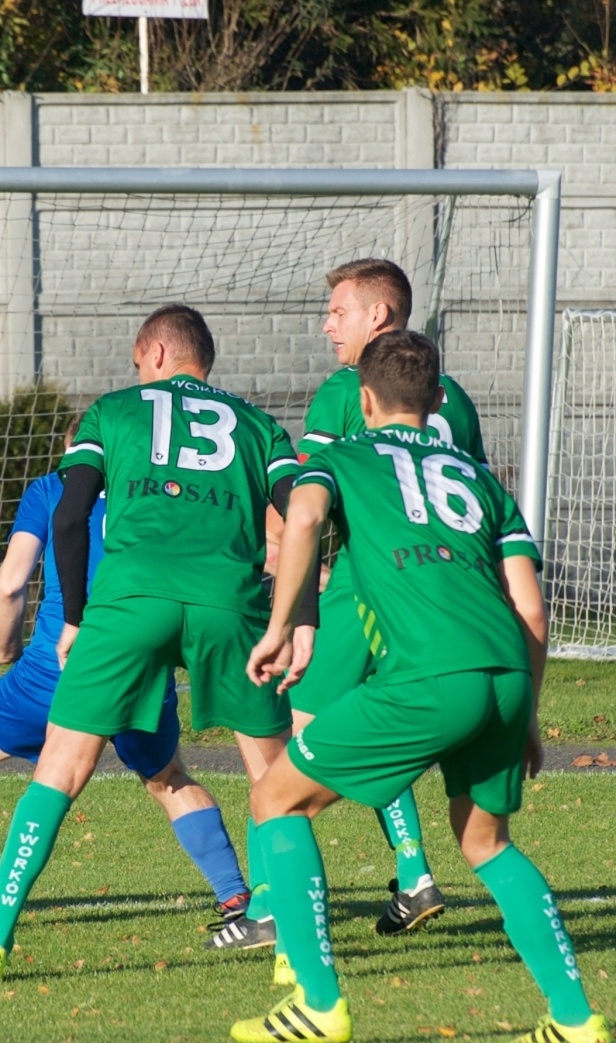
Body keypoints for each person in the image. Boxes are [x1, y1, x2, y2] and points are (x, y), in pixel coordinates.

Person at [229, 330, 608, 1043]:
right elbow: (530, 607)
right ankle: (575, 1018)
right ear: (437, 402)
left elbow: (303, 516)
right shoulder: (480, 479)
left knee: (275, 798)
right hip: (504, 676)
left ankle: (317, 1003)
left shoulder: (339, 456)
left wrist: (284, 621)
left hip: (432, 677)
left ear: (364, 400)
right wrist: (528, 712)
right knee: (486, 842)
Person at [0, 304, 313, 985]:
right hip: (228, 604)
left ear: (156, 353)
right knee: (273, 780)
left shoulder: (112, 411)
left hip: (130, 599)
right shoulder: (261, 427)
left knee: (59, 769)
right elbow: (302, 519)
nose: (137, 370)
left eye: (139, 359)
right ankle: (291, 954)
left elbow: (73, 512)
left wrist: (77, 615)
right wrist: (298, 617)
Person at [0, 429, 249, 937]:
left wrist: (6, 647)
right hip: (143, 662)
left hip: (59, 665)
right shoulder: (165, 494)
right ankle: (238, 901)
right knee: (169, 777)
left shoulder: (50, 488)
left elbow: (9, 584)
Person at [213, 258, 487, 957]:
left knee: (290, 749)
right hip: (441, 603)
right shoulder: (452, 396)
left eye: (338, 309)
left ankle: (272, 908)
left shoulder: (345, 391)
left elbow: (316, 506)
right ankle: (415, 873)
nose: (326, 323)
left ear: (379, 317)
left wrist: (301, 586)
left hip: (366, 591)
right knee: (365, 728)